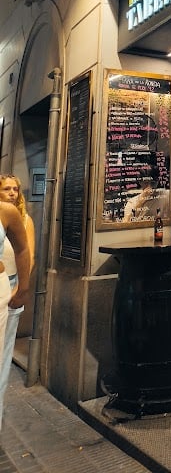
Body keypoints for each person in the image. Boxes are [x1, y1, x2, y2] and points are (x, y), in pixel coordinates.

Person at [0, 175, 35, 430]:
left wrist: (21, 289)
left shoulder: (18, 217)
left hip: (7, 288)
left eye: (15, 189)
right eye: (6, 188)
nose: (12, 192)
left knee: (2, 355)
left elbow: (27, 254)